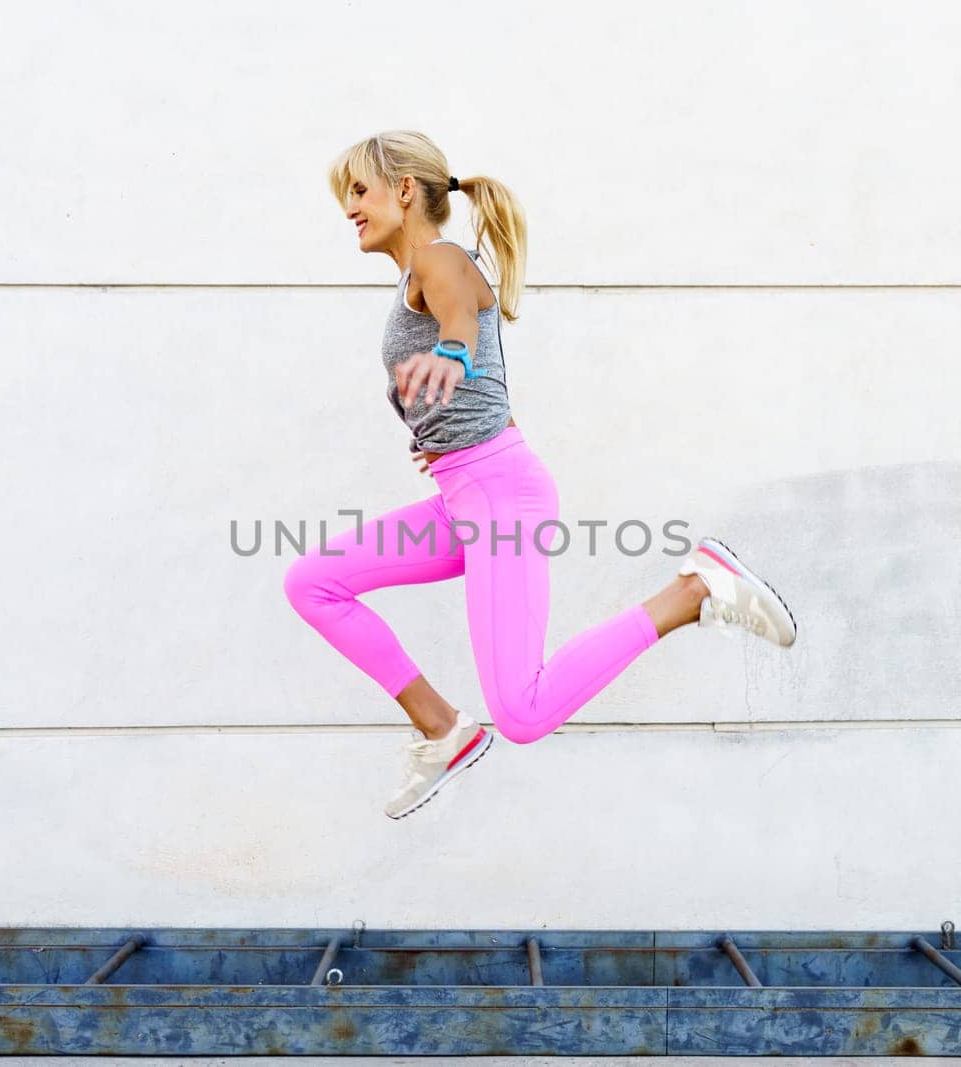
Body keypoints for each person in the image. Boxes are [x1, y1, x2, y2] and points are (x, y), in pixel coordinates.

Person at [284, 130, 796, 820]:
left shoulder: (441, 261)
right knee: (314, 581)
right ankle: (443, 730)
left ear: (404, 191)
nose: (348, 207)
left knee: (522, 710)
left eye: (358, 190)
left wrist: (452, 362)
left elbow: (461, 321)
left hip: (498, 496)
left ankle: (694, 588)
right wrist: (437, 433)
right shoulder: (420, 275)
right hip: (466, 492)